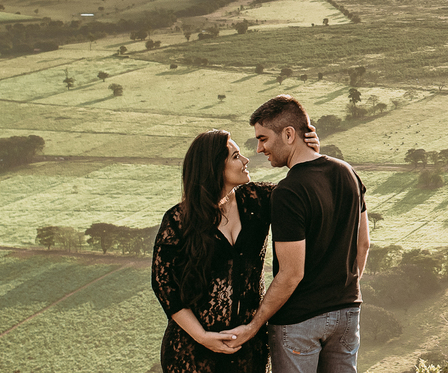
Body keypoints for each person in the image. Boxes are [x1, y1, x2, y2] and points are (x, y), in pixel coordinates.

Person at [151, 126, 319, 373]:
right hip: (191, 351)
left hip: (248, 347)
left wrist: (309, 155)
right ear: (213, 167)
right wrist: (202, 336)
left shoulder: (260, 199)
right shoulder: (178, 219)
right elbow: (163, 285)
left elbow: (300, 194)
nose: (246, 159)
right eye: (235, 156)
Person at [222, 95, 370, 373]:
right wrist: (340, 294)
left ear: (289, 134)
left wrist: (254, 326)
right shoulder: (347, 172)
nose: (259, 148)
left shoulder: (289, 192)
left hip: (299, 321)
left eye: (263, 138)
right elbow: (363, 244)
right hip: (347, 313)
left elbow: (292, 273)